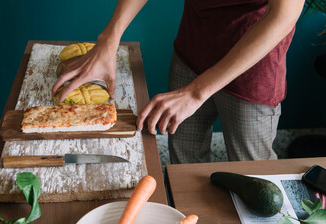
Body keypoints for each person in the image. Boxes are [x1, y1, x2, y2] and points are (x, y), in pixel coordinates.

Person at [52, 0, 305, 164]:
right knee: (184, 157)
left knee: (253, 170)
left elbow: (283, 16)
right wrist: (109, 38)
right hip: (193, 47)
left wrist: (196, 93)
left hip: (251, 67)